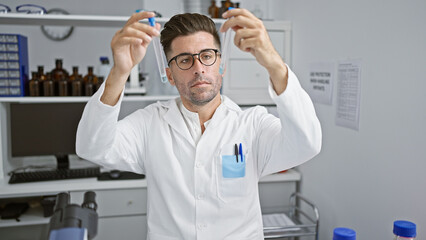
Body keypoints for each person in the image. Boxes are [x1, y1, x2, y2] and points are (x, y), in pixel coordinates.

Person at [76, 9, 322, 240]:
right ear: (169, 75)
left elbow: (306, 144)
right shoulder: (149, 123)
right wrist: (120, 72)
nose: (198, 69)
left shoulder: (252, 125)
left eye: (206, 56)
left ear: (221, 65)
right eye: (184, 60)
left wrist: (274, 63)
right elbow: (92, 147)